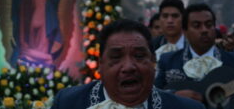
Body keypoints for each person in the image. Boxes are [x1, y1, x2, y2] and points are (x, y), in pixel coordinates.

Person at [51, 19, 205, 109]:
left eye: (139, 56)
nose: (129, 67)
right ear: (101, 64)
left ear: (153, 61)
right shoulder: (68, 103)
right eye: (116, 57)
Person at [155, 3, 234, 109]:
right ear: (185, 31)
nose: (204, 30)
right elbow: (151, 96)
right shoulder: (168, 60)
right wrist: (173, 95)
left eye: (209, 25)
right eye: (197, 26)